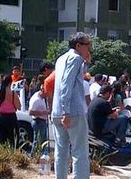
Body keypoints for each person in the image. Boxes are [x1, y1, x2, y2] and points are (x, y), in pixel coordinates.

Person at [51, 32, 91, 179]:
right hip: (72, 111)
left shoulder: (61, 59)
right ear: (78, 45)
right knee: (80, 152)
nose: (89, 49)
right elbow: (66, 84)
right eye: (88, 45)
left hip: (57, 111)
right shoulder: (76, 58)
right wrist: (66, 111)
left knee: (60, 152)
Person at [0, 75, 21, 145]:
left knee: (1, 140)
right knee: (13, 140)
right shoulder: (12, 93)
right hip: (10, 117)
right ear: (10, 83)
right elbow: (19, 107)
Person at [29, 84, 49, 156]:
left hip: (42, 121)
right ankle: (34, 155)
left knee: (43, 141)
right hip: (38, 121)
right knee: (37, 141)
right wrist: (42, 112)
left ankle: (42, 155)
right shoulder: (36, 99)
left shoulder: (41, 97)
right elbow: (30, 112)